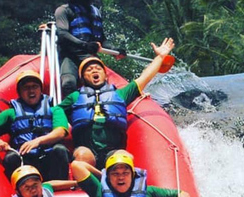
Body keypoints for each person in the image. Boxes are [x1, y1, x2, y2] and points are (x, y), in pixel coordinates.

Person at [59, 38, 175, 172]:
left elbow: (144, 78)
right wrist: (63, 125)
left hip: (113, 151)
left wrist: (160, 57)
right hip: (87, 150)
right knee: (82, 155)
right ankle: (102, 179)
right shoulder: (75, 97)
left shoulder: (120, 94)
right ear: (83, 78)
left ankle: (106, 179)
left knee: (125, 158)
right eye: (89, 70)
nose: (94, 71)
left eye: (98, 68)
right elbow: (55, 111)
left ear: (105, 76)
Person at [0, 71, 71, 182]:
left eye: (34, 86)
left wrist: (38, 141)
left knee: (59, 150)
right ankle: (19, 190)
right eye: (26, 88)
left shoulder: (55, 110)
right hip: (25, 160)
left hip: (49, 159)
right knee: (11, 158)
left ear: (40, 90)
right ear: (19, 92)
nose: (31, 91)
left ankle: (60, 188)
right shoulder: (10, 113)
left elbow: (60, 132)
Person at [54, 0, 126, 96]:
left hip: (89, 57)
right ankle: (71, 109)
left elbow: (102, 40)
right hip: (70, 56)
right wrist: (84, 45)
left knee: (100, 84)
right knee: (68, 83)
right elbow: (62, 34)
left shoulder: (95, 12)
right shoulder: (63, 10)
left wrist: (114, 50)